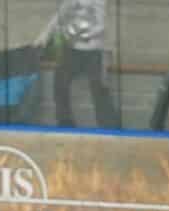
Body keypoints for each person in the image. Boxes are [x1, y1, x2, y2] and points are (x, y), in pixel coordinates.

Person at [34, 0, 119, 129]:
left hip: (95, 52)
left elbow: (102, 25)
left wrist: (80, 35)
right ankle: (65, 124)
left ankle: (110, 128)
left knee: (100, 90)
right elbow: (59, 16)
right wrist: (43, 37)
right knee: (60, 84)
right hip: (72, 51)